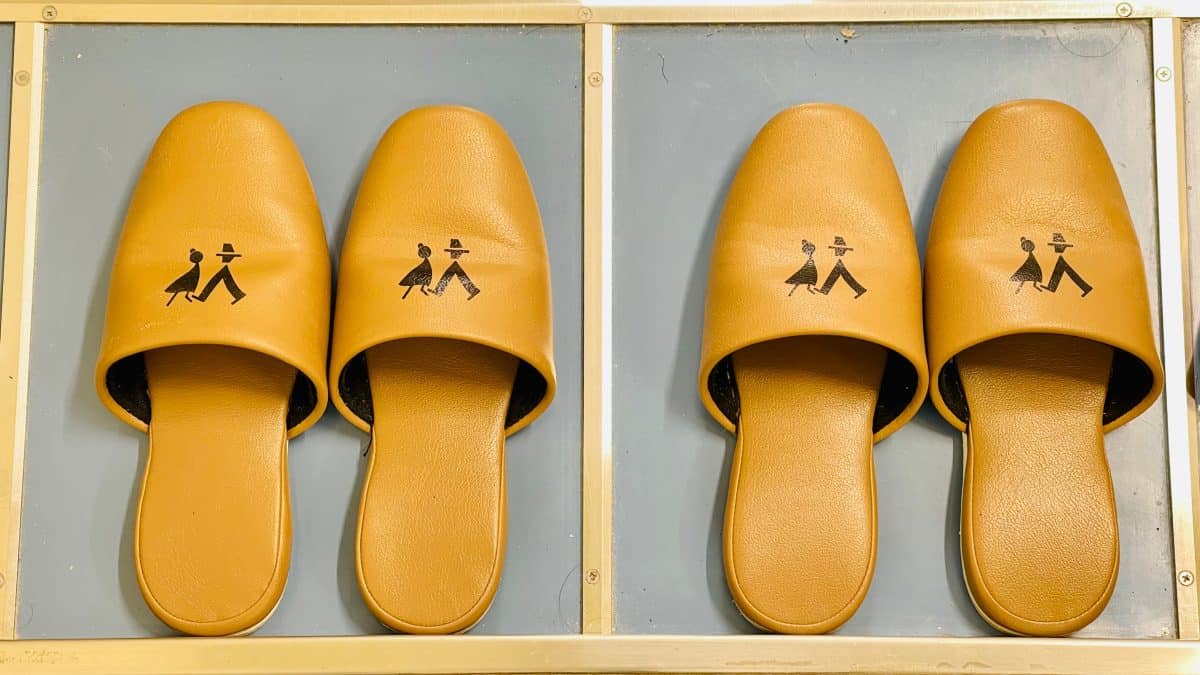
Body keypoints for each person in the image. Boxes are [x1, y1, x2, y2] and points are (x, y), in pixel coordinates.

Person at [1041, 233, 1092, 297]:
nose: (1055, 248)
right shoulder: (1061, 256)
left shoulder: (1063, 255)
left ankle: (1086, 288)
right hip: (1064, 258)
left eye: (1056, 246)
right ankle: (1052, 286)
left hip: (1067, 258)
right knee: (1062, 268)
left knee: (1068, 271)